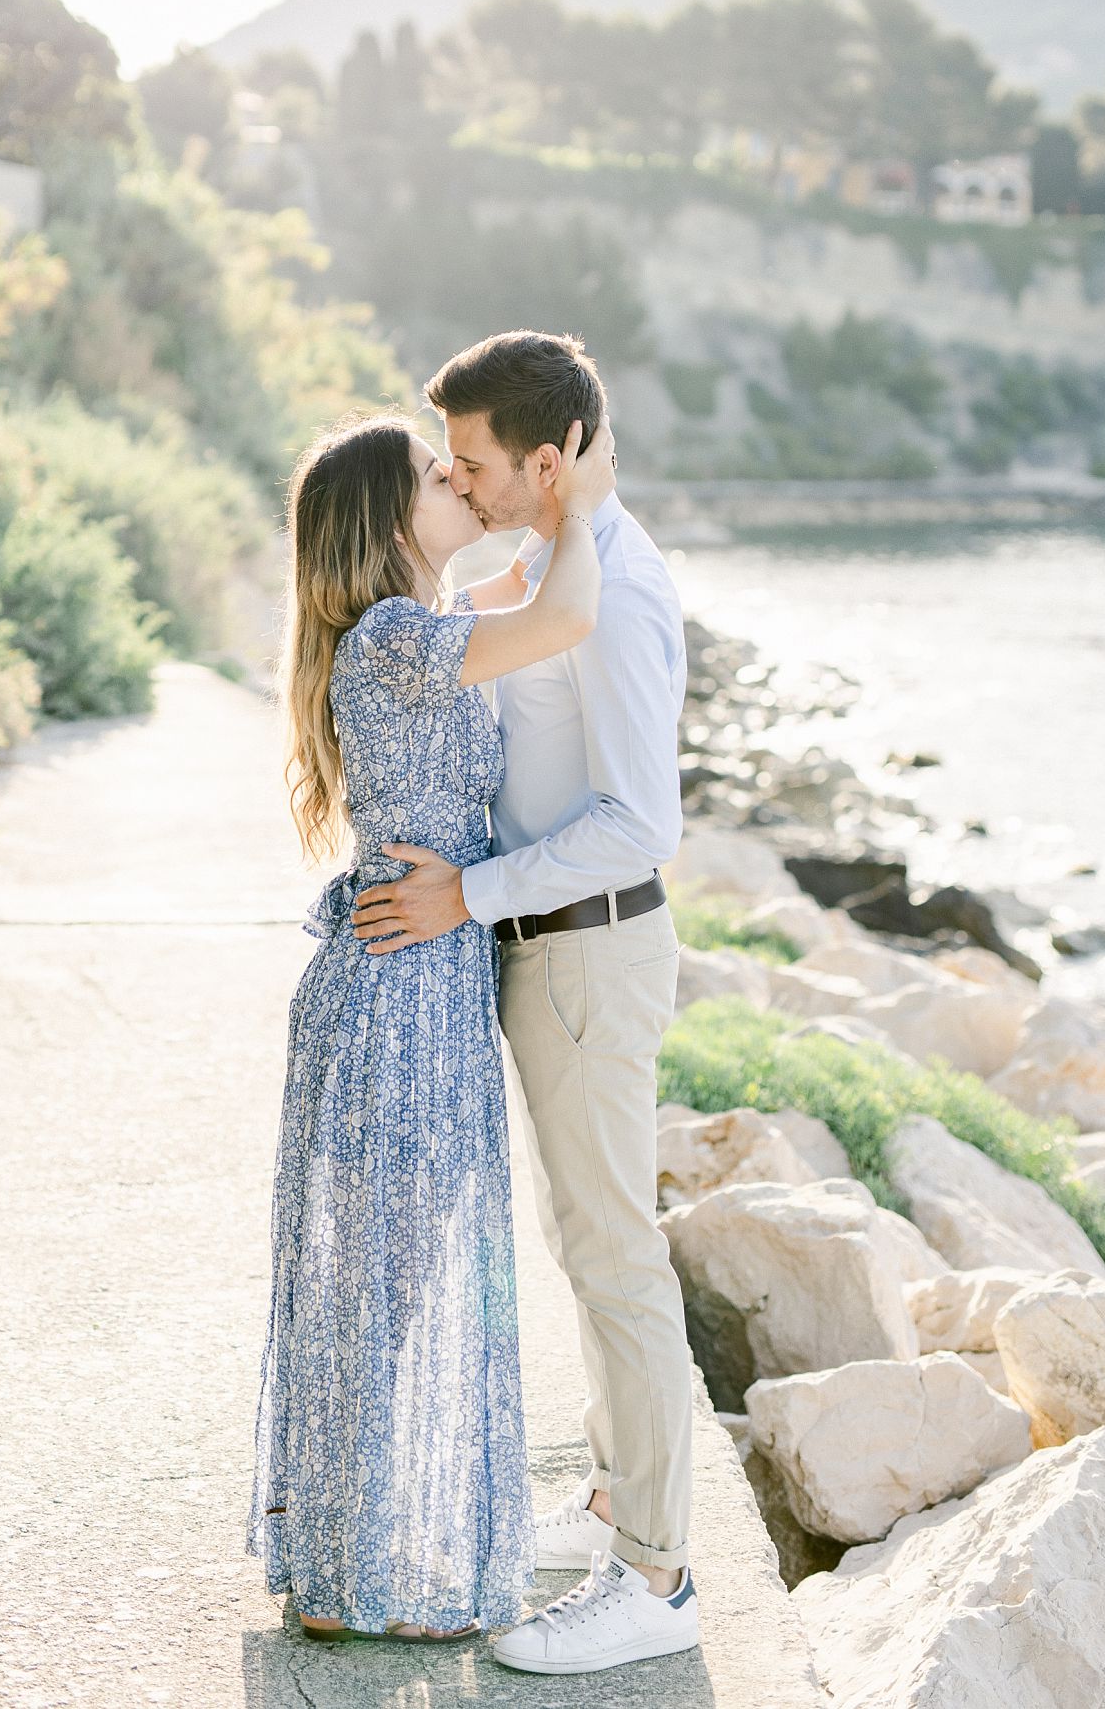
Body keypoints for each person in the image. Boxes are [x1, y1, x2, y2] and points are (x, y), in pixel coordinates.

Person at [352, 329, 699, 1676]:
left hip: (591, 946)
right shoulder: (548, 560)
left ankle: (658, 1575)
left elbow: (636, 821)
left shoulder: (619, 591)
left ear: (547, 460)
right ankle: (617, 1495)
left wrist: (471, 891)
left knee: (617, 1256)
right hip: (548, 953)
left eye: (479, 459)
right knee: (584, 1241)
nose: (458, 473)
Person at [248, 406, 617, 1641]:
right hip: (402, 990)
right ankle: (366, 1577)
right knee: (398, 1286)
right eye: (432, 471)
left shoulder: (414, 630)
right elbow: (563, 615)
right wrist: (579, 497)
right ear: (388, 517)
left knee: (396, 1284)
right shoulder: (402, 635)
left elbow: (522, 591)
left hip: (422, 977)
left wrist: (538, 516)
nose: (456, 477)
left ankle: (357, 1566)